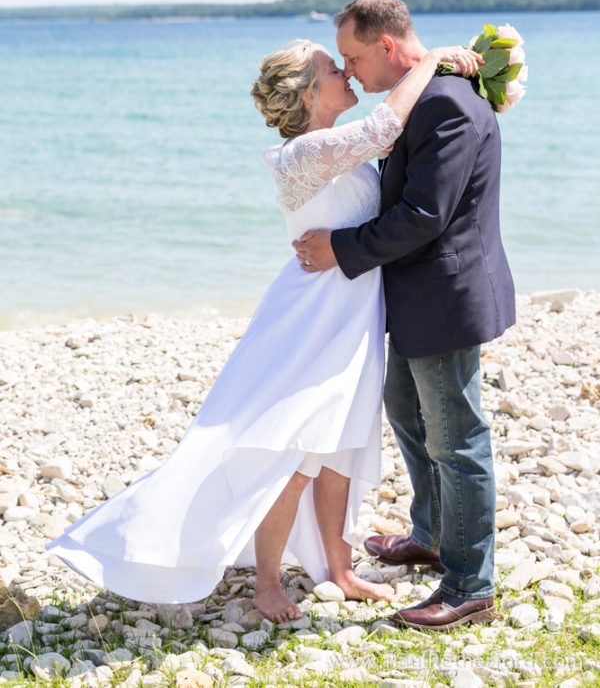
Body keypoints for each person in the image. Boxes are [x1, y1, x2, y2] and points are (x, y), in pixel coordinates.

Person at [47, 37, 481, 624]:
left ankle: (340, 569)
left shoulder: (337, 149)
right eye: (334, 69)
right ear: (308, 94)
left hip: (353, 315)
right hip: (311, 319)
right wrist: (429, 61)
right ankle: (267, 585)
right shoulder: (301, 155)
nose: (347, 72)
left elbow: (402, 147)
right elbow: (383, 128)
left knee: (339, 445)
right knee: (295, 448)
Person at [294, 0, 516, 631]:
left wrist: (339, 249)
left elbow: (424, 215)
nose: (350, 71)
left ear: (387, 45)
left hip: (445, 296)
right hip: (415, 295)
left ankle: (470, 584)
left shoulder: (446, 102)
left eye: (354, 57)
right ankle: (433, 535)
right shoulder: (423, 93)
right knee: (408, 415)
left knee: (456, 440)